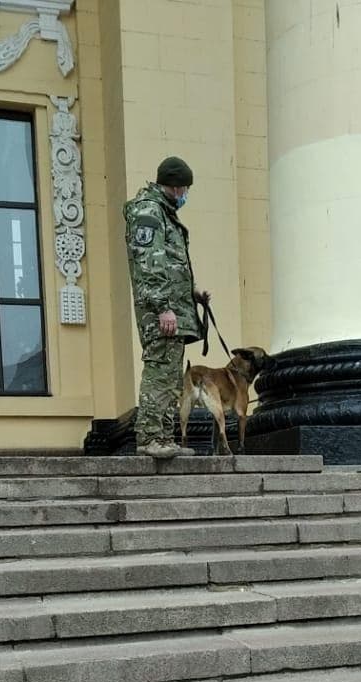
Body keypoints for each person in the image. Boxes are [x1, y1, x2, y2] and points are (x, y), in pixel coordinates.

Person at [124, 156, 206, 459]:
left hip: (173, 308)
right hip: (161, 311)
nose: (186, 195)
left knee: (171, 376)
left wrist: (191, 293)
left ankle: (164, 438)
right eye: (185, 189)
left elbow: (168, 264)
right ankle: (149, 437)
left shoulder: (163, 213)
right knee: (159, 371)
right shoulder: (149, 212)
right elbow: (149, 265)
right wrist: (162, 307)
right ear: (177, 186)